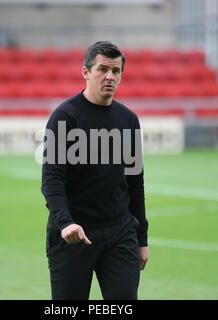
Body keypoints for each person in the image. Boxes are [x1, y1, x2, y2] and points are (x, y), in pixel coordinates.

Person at [41, 41, 149, 300]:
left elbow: (136, 183)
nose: (110, 76)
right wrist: (65, 222)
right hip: (74, 234)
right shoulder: (65, 117)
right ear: (86, 72)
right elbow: (52, 178)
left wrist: (141, 238)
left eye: (116, 71)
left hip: (120, 233)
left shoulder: (129, 120)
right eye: (102, 69)